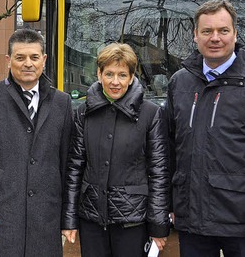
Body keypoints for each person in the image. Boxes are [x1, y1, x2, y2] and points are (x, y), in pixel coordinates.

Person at [165, 0, 245, 257]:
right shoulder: (179, 82)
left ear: (235, 33)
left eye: (223, 30)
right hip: (191, 220)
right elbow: (168, 149)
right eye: (207, 31)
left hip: (243, 223)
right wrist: (168, 204)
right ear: (195, 36)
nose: (215, 38)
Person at [0, 28, 73, 256]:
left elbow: (66, 163)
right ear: (8, 60)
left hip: (46, 219)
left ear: (44, 60)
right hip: (0, 219)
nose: (28, 64)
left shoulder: (62, 103)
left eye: (34, 57)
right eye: (20, 58)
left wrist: (67, 218)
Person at [61, 43, 170, 256]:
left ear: (131, 77)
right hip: (92, 219)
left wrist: (158, 225)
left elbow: (158, 172)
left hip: (132, 222)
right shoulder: (84, 113)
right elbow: (75, 167)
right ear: (99, 74)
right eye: (109, 74)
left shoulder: (150, 114)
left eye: (122, 75)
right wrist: (69, 219)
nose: (115, 82)